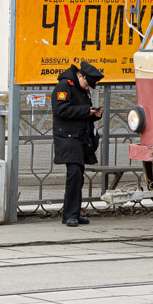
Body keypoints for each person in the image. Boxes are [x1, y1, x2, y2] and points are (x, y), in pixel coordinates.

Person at [52, 60, 104, 228]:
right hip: (67, 138)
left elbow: (80, 113)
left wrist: (94, 115)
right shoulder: (64, 86)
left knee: (78, 177)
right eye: (86, 83)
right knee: (74, 175)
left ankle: (73, 212)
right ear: (80, 75)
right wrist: (85, 111)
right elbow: (61, 110)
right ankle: (70, 215)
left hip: (79, 138)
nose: (88, 87)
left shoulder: (81, 89)